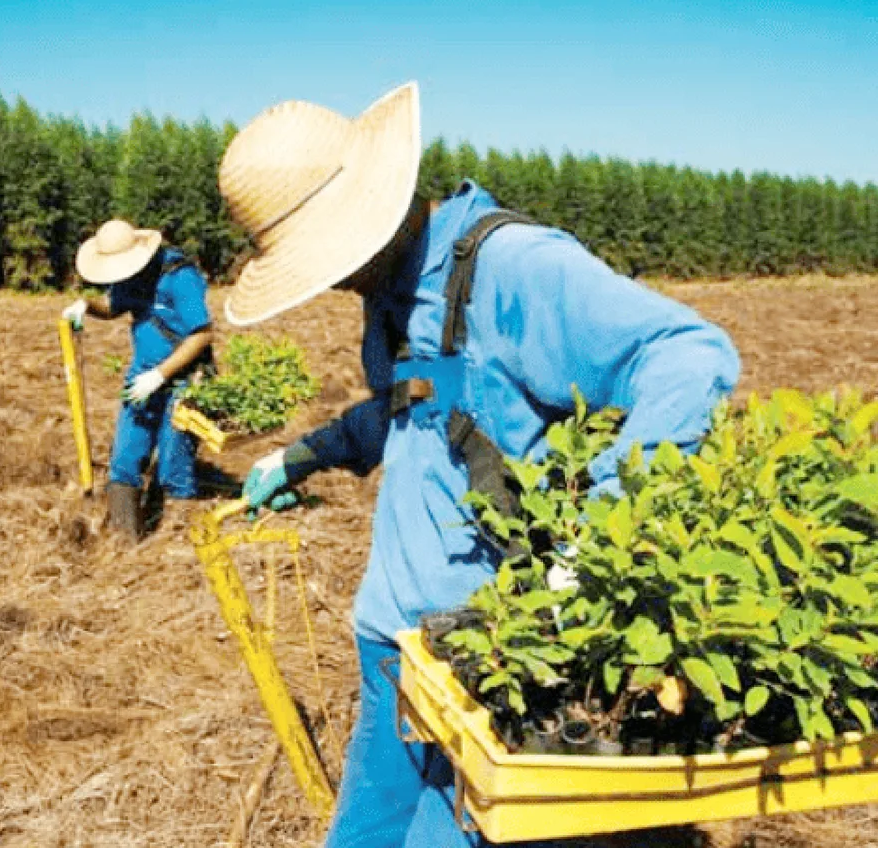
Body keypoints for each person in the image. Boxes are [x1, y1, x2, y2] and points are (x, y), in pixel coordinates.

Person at [221, 83, 741, 847]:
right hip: (391, 638)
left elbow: (688, 357)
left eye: (331, 255)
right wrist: (303, 455)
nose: (331, 279)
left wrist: (599, 534)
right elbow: (418, 409)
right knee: (363, 836)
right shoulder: (387, 286)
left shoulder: (514, 269)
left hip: (490, 653)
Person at [61, 219, 214, 539]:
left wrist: (160, 376)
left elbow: (201, 335)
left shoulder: (179, 277)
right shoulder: (128, 277)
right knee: (125, 458)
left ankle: (178, 538)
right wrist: (87, 305)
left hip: (184, 378)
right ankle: (124, 542)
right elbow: (113, 307)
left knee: (173, 463)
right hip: (141, 375)